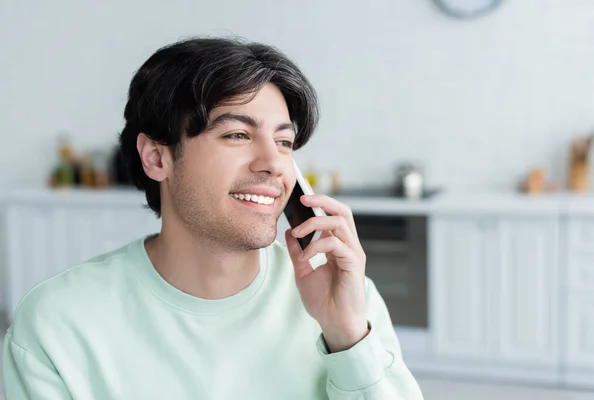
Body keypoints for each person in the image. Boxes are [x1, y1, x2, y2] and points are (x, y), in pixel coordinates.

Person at [2, 37, 423, 399]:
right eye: (237, 135)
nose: (274, 163)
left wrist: (348, 336)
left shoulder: (347, 300)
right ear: (156, 157)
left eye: (284, 141)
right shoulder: (57, 323)